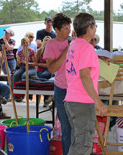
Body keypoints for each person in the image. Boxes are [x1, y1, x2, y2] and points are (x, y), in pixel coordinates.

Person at [64, 13, 107, 155]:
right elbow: (84, 76)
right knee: (82, 146)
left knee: (77, 143)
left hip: (71, 99)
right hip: (82, 102)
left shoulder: (74, 45)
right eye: (95, 26)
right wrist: (98, 102)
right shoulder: (87, 48)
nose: (95, 29)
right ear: (89, 28)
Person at [43, 13, 72, 155]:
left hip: (77, 89)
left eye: (69, 28)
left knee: (80, 127)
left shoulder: (75, 41)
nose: (69, 31)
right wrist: (66, 51)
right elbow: (52, 68)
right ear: (57, 29)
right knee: (67, 127)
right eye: (66, 28)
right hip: (62, 89)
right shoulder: (51, 45)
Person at [13, 37, 37, 102]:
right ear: (22, 44)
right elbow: (19, 64)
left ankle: (27, 96)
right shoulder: (20, 52)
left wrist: (28, 63)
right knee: (16, 75)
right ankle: (16, 96)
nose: (25, 44)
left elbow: (35, 63)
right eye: (24, 43)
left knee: (24, 76)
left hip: (31, 67)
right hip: (23, 67)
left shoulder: (32, 51)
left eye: (26, 43)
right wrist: (19, 62)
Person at [35, 36, 53, 107]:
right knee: (43, 76)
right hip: (40, 70)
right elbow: (35, 63)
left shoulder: (52, 51)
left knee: (47, 75)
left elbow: (51, 64)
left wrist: (46, 65)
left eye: (48, 40)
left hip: (48, 70)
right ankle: (46, 99)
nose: (47, 42)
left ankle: (47, 99)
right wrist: (42, 65)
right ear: (43, 42)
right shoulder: (40, 51)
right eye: (45, 40)